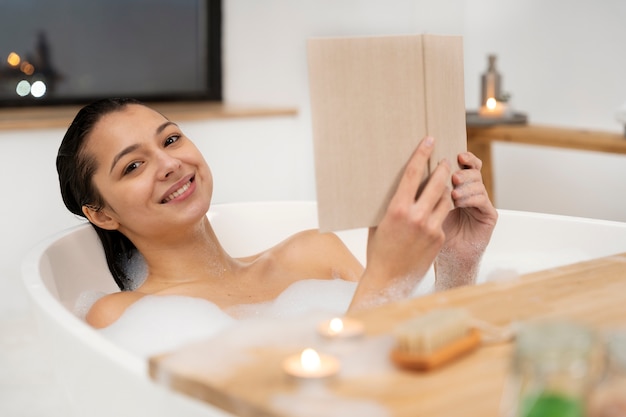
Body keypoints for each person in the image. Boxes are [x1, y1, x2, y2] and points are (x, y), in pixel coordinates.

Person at [57, 98, 498, 329]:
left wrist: (457, 263)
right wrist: (386, 279)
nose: (169, 163)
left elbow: (408, 362)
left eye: (170, 140)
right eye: (133, 165)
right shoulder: (124, 316)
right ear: (101, 215)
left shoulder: (313, 254)